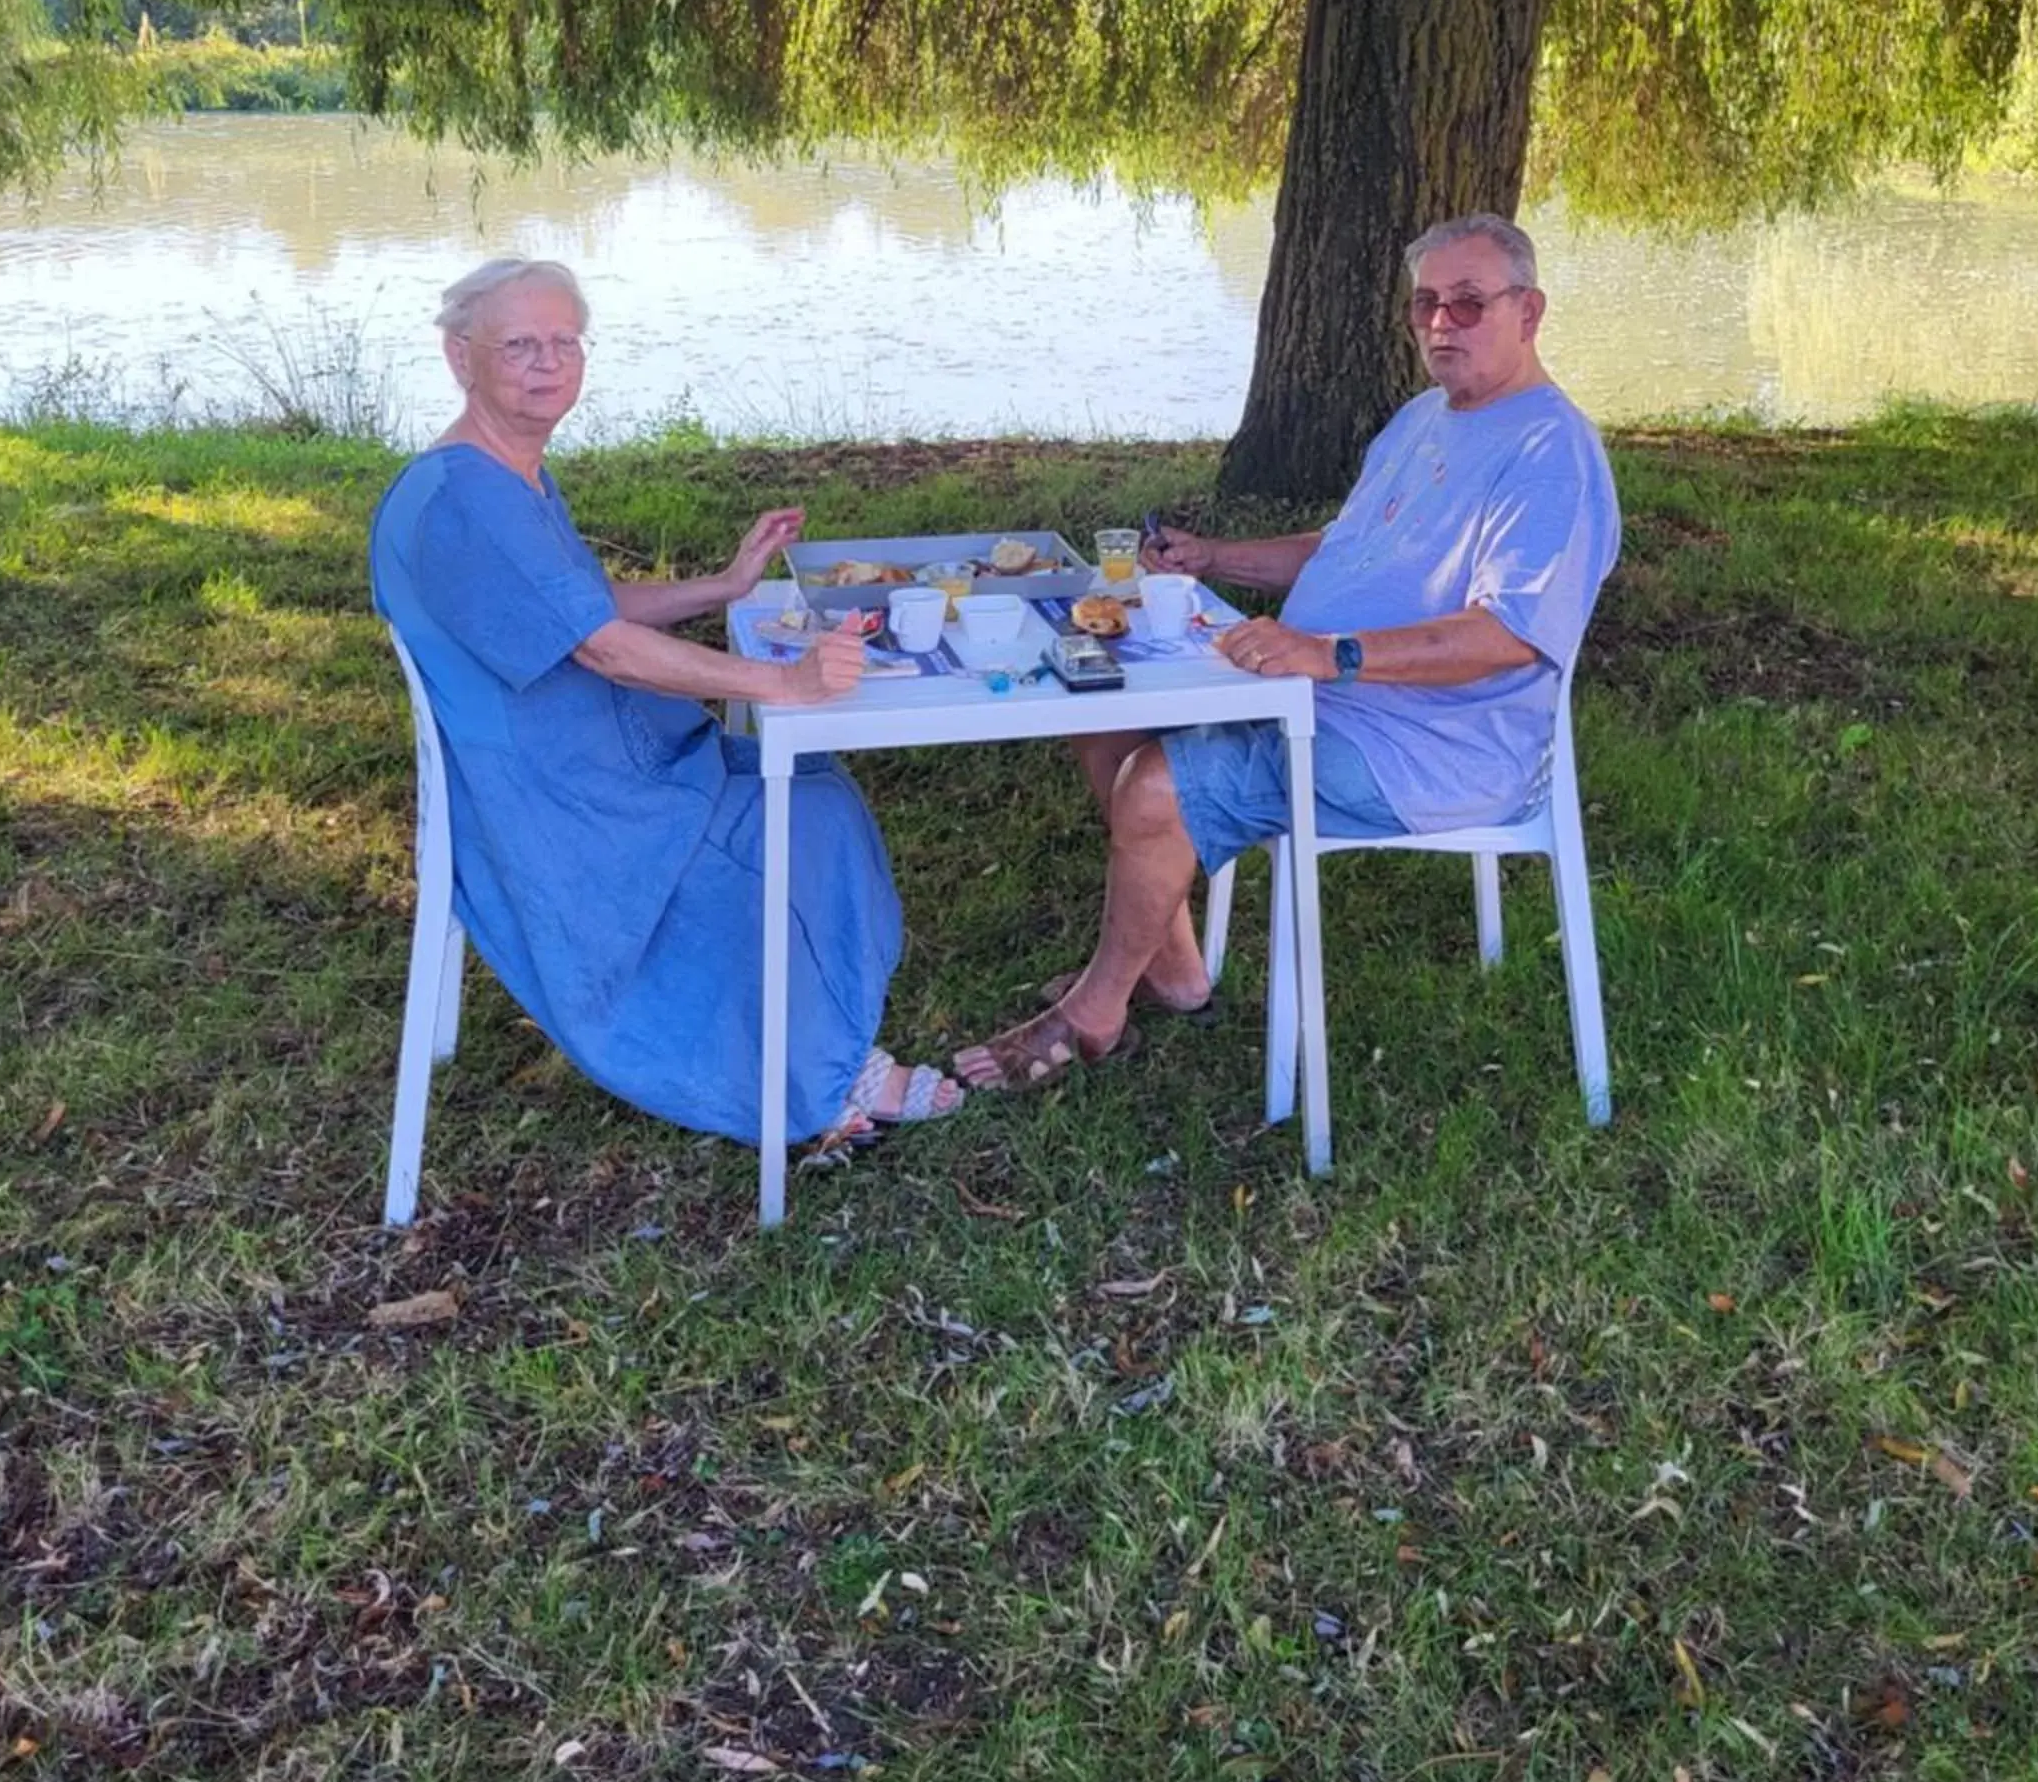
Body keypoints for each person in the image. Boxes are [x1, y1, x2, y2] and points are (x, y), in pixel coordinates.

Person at [954, 213, 1618, 1092]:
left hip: (1423, 748)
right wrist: (1216, 559)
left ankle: (1093, 1015)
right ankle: (1177, 972)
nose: (1440, 325)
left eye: (1469, 304)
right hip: (1327, 696)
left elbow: (1508, 636)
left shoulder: (1551, 455)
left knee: (1155, 783)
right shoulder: (1424, 419)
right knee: (1104, 709)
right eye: (1425, 305)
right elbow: (1349, 548)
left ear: (1528, 313)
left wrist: (1330, 655)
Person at [370, 258, 960, 1147]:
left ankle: (817, 1045)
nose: (548, 363)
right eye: (520, 344)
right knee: (798, 821)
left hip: (590, 752)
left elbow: (583, 605)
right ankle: (814, 1083)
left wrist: (724, 585)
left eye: (564, 342)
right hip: (560, 796)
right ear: (461, 357)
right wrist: (780, 683)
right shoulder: (466, 499)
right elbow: (605, 648)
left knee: (816, 800)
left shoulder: (506, 474)